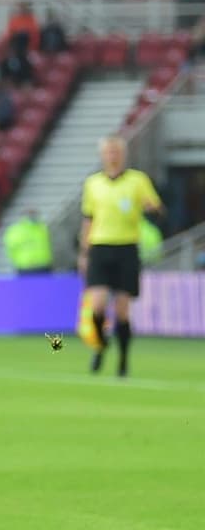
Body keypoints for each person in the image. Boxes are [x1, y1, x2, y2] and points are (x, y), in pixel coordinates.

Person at [79, 135, 164, 377]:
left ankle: (123, 361)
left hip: (127, 247)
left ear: (123, 154)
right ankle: (101, 345)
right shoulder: (93, 184)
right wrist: (84, 253)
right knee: (97, 305)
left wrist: (153, 210)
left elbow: (158, 210)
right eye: (109, 151)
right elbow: (88, 219)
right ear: (103, 155)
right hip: (100, 247)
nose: (113, 155)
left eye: (116, 151)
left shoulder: (138, 181)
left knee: (123, 309)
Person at [3, 209, 53, 274]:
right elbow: (11, 249)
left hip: (44, 265)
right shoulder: (15, 230)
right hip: (26, 267)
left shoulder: (43, 228)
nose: (32, 217)